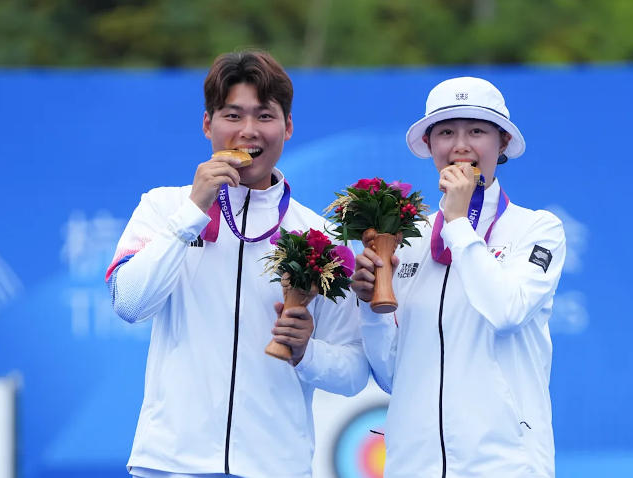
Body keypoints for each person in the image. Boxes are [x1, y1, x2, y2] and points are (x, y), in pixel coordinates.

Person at [105, 50, 370, 478]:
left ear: (288, 127)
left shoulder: (321, 236)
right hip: (171, 464)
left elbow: (355, 371)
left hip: (274, 466)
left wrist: (307, 353)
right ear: (208, 123)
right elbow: (129, 304)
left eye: (265, 116)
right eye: (233, 115)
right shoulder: (164, 207)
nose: (248, 131)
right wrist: (193, 212)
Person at [352, 76, 566, 478]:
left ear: (502, 143)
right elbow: (392, 374)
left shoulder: (537, 229)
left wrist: (456, 220)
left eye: (477, 131)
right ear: (430, 145)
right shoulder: (407, 240)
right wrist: (371, 308)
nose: (461, 145)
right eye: (446, 132)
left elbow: (507, 312)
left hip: (504, 464)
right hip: (414, 465)